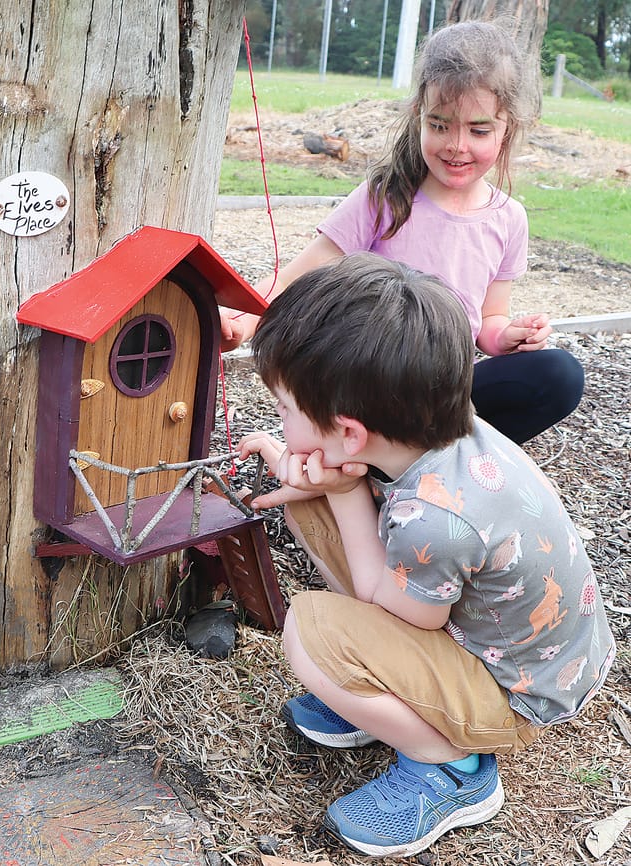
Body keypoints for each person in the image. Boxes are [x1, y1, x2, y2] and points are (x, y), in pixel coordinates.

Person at [237, 253, 614, 858]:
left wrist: (344, 492)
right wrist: (298, 464)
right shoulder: (449, 427)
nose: (279, 418)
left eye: (284, 409)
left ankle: (453, 767)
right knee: (309, 503)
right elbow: (343, 479)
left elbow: (386, 603)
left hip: (518, 694)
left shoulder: (436, 521)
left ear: (350, 432)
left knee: (311, 634)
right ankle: (389, 702)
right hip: (536, 650)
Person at [221, 20, 584, 445]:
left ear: (509, 128)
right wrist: (243, 320)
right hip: (371, 385)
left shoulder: (509, 218)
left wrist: (506, 337)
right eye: (440, 125)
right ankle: (392, 464)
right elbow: (296, 275)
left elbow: (488, 318)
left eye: (479, 130)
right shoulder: (387, 197)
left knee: (559, 375)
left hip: (445, 390)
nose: (457, 145)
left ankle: (439, 468)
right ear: (419, 116)